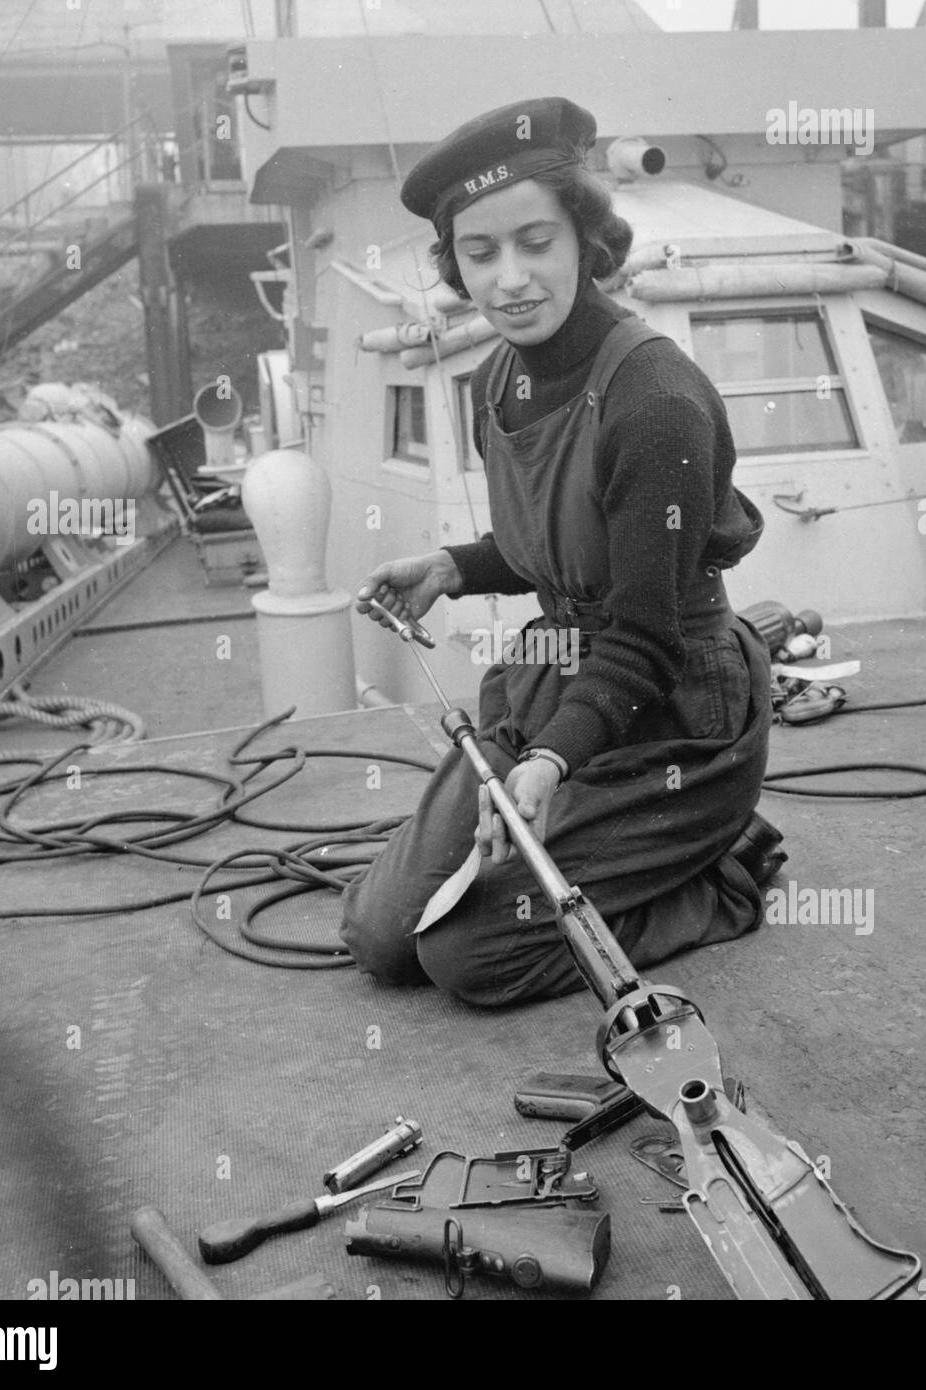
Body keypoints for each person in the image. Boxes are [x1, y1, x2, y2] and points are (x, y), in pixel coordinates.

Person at [340, 97, 774, 1007]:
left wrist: (545, 767)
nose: (509, 280)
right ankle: (599, 839)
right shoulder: (497, 376)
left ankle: (721, 872)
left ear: (584, 234)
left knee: (470, 960)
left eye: (535, 241)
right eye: (479, 251)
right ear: (453, 262)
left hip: (670, 709)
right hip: (555, 681)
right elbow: (556, 545)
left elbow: (644, 635)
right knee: (383, 940)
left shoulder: (656, 401)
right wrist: (456, 568)